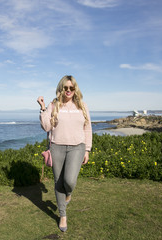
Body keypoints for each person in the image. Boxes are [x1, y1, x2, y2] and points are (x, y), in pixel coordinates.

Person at [37, 75, 92, 232]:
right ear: (61, 88)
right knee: (58, 181)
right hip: (57, 147)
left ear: (75, 89)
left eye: (71, 88)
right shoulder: (54, 105)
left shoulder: (82, 105)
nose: (68, 90)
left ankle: (68, 193)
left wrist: (87, 149)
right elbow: (46, 126)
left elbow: (87, 128)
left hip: (77, 147)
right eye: (65, 88)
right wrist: (42, 107)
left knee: (69, 180)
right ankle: (63, 215)